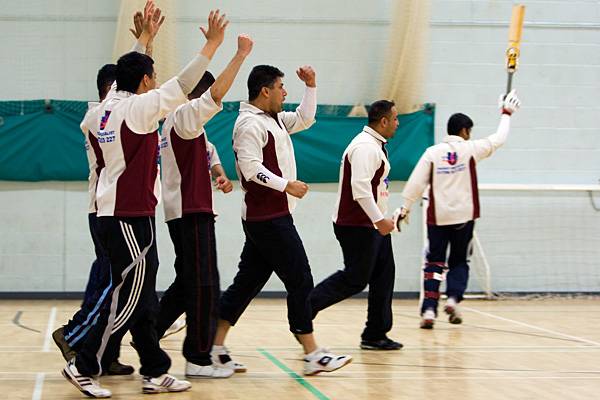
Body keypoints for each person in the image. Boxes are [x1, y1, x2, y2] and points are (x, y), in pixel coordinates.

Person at [61, 4, 228, 398]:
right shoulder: (137, 110)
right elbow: (183, 84)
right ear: (146, 82)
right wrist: (212, 47)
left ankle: (154, 368)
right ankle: (83, 363)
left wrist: (143, 41)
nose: (156, 85)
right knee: (126, 295)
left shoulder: (100, 111)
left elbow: (127, 79)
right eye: (151, 79)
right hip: (127, 216)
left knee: (143, 294)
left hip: (113, 212)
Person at [212, 64, 352, 376]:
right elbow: (250, 170)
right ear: (265, 91)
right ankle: (312, 351)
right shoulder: (249, 125)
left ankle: (214, 345)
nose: (285, 92)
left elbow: (305, 118)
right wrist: (285, 184)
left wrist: (311, 86)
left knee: (246, 283)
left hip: (272, 216)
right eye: (281, 87)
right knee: (300, 277)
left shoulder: (272, 119)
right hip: (267, 218)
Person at [52, 7, 164, 375]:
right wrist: (142, 45)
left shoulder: (113, 108)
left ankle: (131, 358)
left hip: (125, 208)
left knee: (132, 286)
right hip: (108, 209)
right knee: (112, 284)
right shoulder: (100, 115)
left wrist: (144, 40)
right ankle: (77, 339)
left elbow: (124, 81)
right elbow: (122, 86)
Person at [154, 34, 253, 379]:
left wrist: (220, 175)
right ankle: (198, 358)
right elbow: (217, 94)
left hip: (185, 212)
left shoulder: (183, 126)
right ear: (194, 94)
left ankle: (148, 336)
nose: (214, 102)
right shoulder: (183, 116)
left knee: (186, 283)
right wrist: (240, 55)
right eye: (206, 93)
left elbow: (209, 154)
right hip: (190, 213)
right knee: (205, 284)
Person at [398, 90, 521, 329]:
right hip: (464, 216)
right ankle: (453, 298)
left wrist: (405, 207)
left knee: (434, 263)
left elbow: (416, 183)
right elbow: (499, 139)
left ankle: (430, 311)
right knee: (459, 261)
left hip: (438, 217)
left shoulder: (432, 153)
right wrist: (506, 113)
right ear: (465, 131)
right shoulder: (470, 149)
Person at [309, 100, 403, 351]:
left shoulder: (375, 145)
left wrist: (384, 217)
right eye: (394, 119)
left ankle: (375, 333)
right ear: (383, 121)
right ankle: (304, 309)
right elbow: (360, 189)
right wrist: (379, 220)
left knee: (384, 275)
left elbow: (375, 188)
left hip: (373, 225)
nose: (397, 123)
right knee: (355, 278)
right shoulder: (364, 148)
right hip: (356, 225)